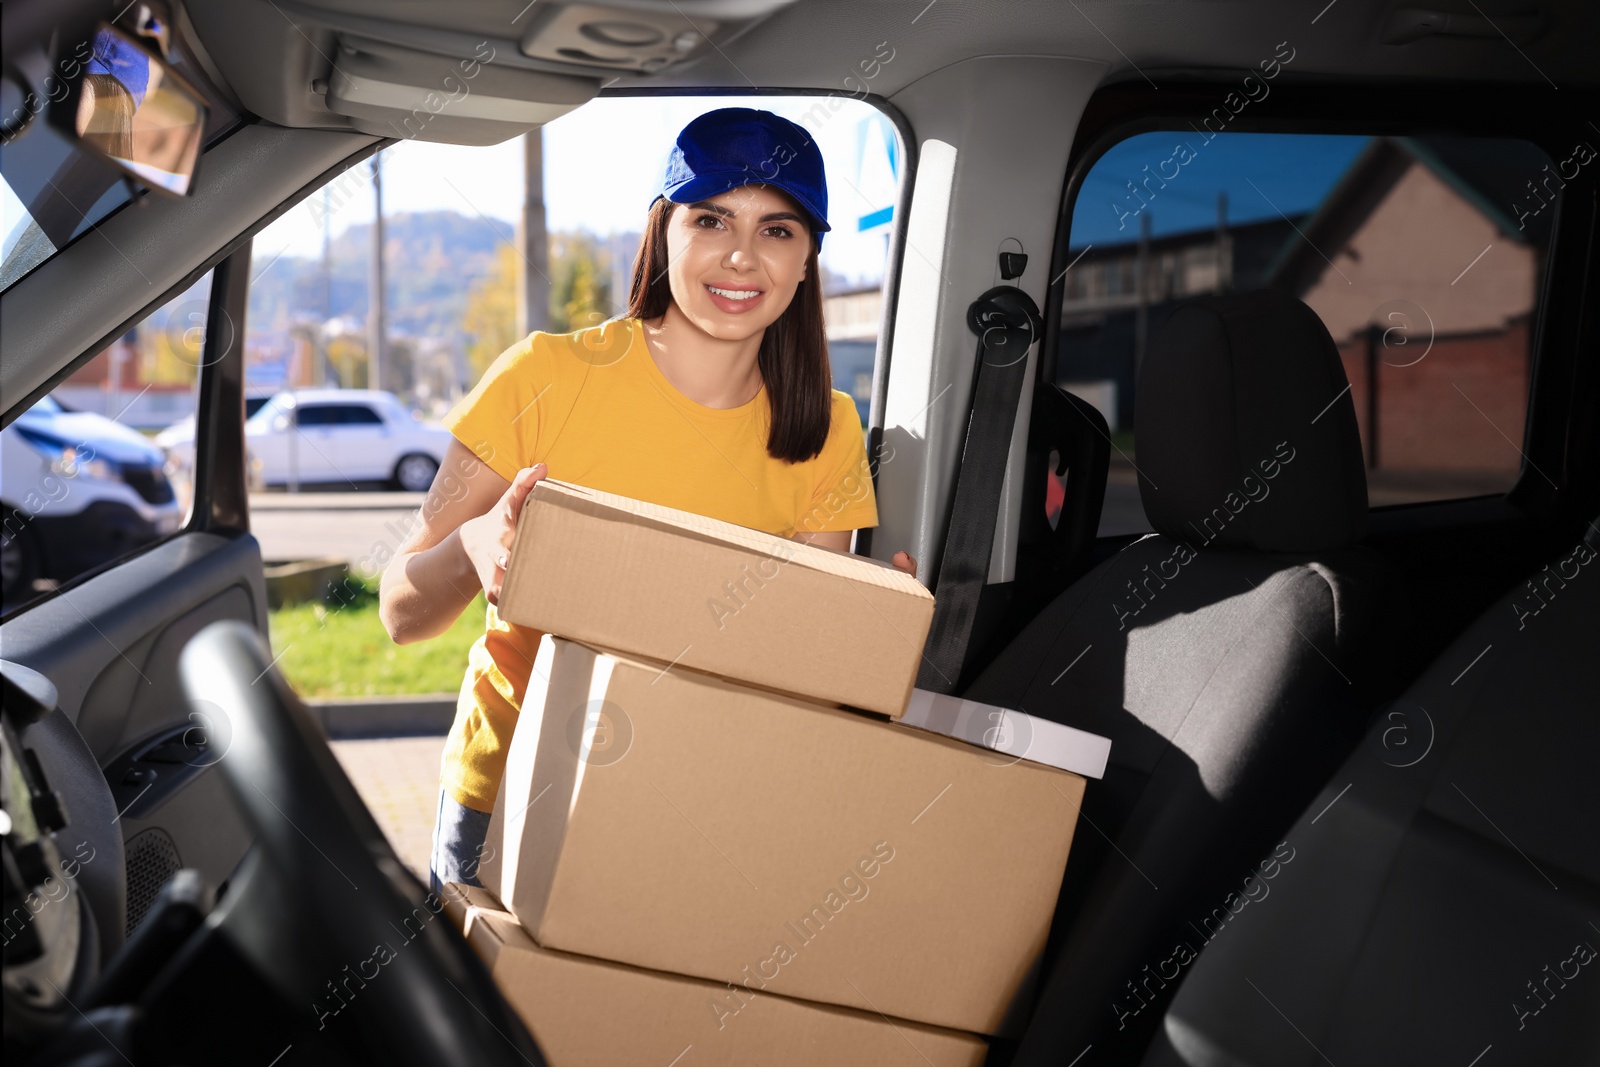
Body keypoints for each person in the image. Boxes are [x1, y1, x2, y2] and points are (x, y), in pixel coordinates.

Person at [376, 107, 919, 896]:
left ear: (807, 262)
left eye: (778, 230)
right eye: (711, 219)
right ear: (662, 232)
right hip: (510, 794)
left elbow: (794, 672)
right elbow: (399, 610)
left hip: (703, 804)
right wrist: (477, 543)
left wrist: (866, 638)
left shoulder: (828, 427)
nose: (741, 256)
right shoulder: (546, 377)